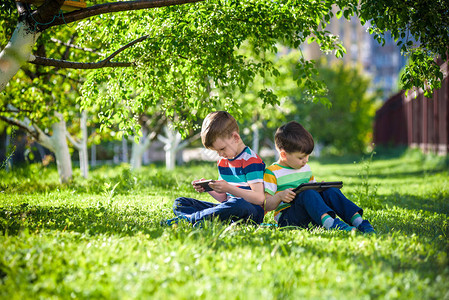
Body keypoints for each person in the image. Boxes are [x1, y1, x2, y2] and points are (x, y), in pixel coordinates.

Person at [263, 121, 375, 233]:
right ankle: (331, 224)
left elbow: (313, 193)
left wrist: (321, 188)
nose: (306, 160)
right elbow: (266, 205)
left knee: (330, 191)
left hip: (311, 214)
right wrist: (280, 196)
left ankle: (359, 221)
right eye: (301, 157)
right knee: (308, 193)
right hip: (287, 218)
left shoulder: (305, 168)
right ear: (284, 155)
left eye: (307, 156)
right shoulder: (272, 172)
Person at [162, 111, 266, 226]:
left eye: (222, 149)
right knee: (180, 203)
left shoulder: (251, 160)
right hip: (229, 209)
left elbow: (259, 198)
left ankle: (191, 219)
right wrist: (210, 188)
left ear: (235, 137)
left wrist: (229, 188)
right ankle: (207, 220)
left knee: (238, 203)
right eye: (217, 151)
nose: (220, 154)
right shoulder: (223, 161)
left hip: (251, 212)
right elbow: (223, 199)